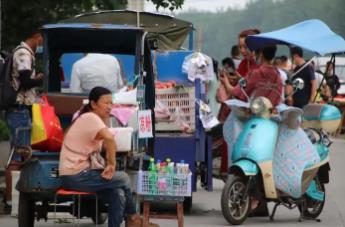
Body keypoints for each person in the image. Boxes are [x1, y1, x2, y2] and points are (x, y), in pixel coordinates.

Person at [59, 87, 158, 227]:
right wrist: (111, 164)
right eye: (106, 103)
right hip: (75, 175)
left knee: (117, 193)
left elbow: (104, 142)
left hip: (82, 174)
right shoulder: (90, 117)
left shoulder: (92, 119)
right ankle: (134, 219)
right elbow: (110, 139)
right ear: (93, 104)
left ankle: (129, 221)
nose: (109, 107)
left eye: (111, 103)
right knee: (123, 178)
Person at [3, 28, 44, 213]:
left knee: (21, 152)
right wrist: (40, 79)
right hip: (19, 109)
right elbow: (26, 82)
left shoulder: (24, 53)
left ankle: (13, 201)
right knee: (19, 154)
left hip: (20, 109)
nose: (42, 43)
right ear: (36, 36)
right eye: (41, 39)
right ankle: (12, 201)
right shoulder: (23, 53)